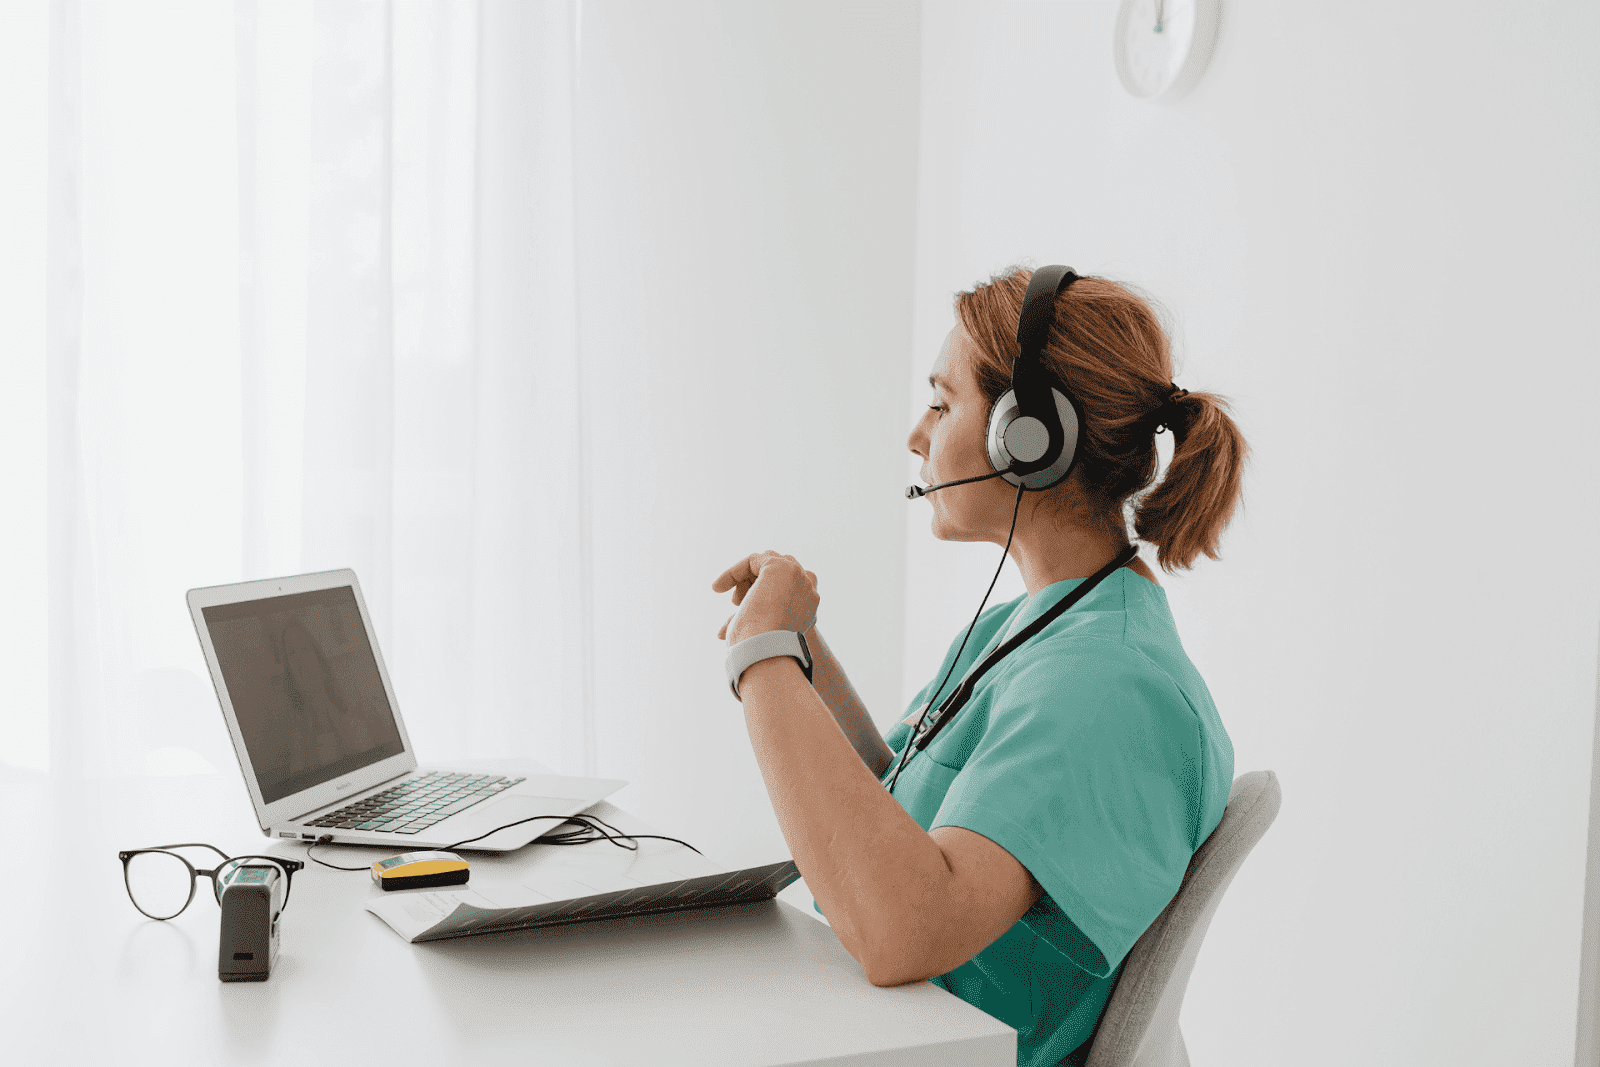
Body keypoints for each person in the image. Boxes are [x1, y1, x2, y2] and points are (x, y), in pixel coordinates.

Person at [712, 266, 1247, 1067]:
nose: (916, 435)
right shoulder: (1044, 626)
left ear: (1029, 435)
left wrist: (763, 664)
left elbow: (903, 927)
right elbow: (903, 808)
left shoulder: (1107, 687)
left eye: (941, 401)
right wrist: (802, 647)